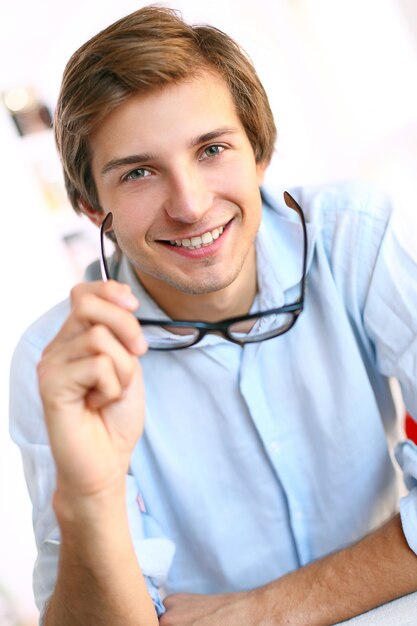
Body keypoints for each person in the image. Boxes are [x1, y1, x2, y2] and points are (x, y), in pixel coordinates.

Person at [9, 5, 417, 626]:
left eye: (212, 149)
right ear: (94, 209)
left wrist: (266, 611)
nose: (191, 205)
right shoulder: (59, 362)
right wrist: (90, 501)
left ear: (258, 153)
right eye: (139, 172)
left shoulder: (352, 239)